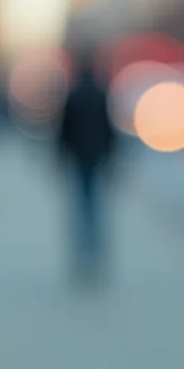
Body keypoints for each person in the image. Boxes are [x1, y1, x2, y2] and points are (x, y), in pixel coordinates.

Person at [55, 50, 118, 283]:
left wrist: (60, 156)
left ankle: (82, 250)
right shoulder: (101, 94)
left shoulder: (72, 95)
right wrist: (112, 157)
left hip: (77, 155)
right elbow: (109, 130)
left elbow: (63, 131)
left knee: (81, 204)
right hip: (97, 155)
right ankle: (95, 249)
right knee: (95, 204)